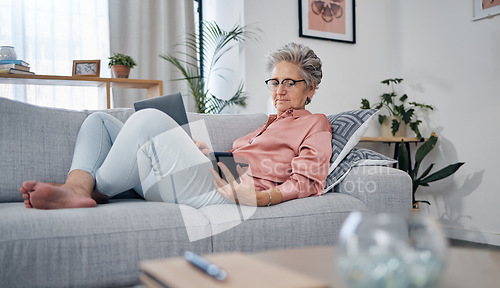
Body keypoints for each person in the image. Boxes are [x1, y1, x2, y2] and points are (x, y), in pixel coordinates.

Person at [20, 43, 332, 210]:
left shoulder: (315, 124)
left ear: (312, 88)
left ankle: (82, 191)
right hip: (204, 177)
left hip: (225, 194)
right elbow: (232, 161)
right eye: (275, 82)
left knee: (148, 119)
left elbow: (308, 182)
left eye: (290, 82)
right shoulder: (263, 126)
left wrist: (260, 198)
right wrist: (207, 153)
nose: (279, 90)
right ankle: (80, 187)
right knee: (98, 120)